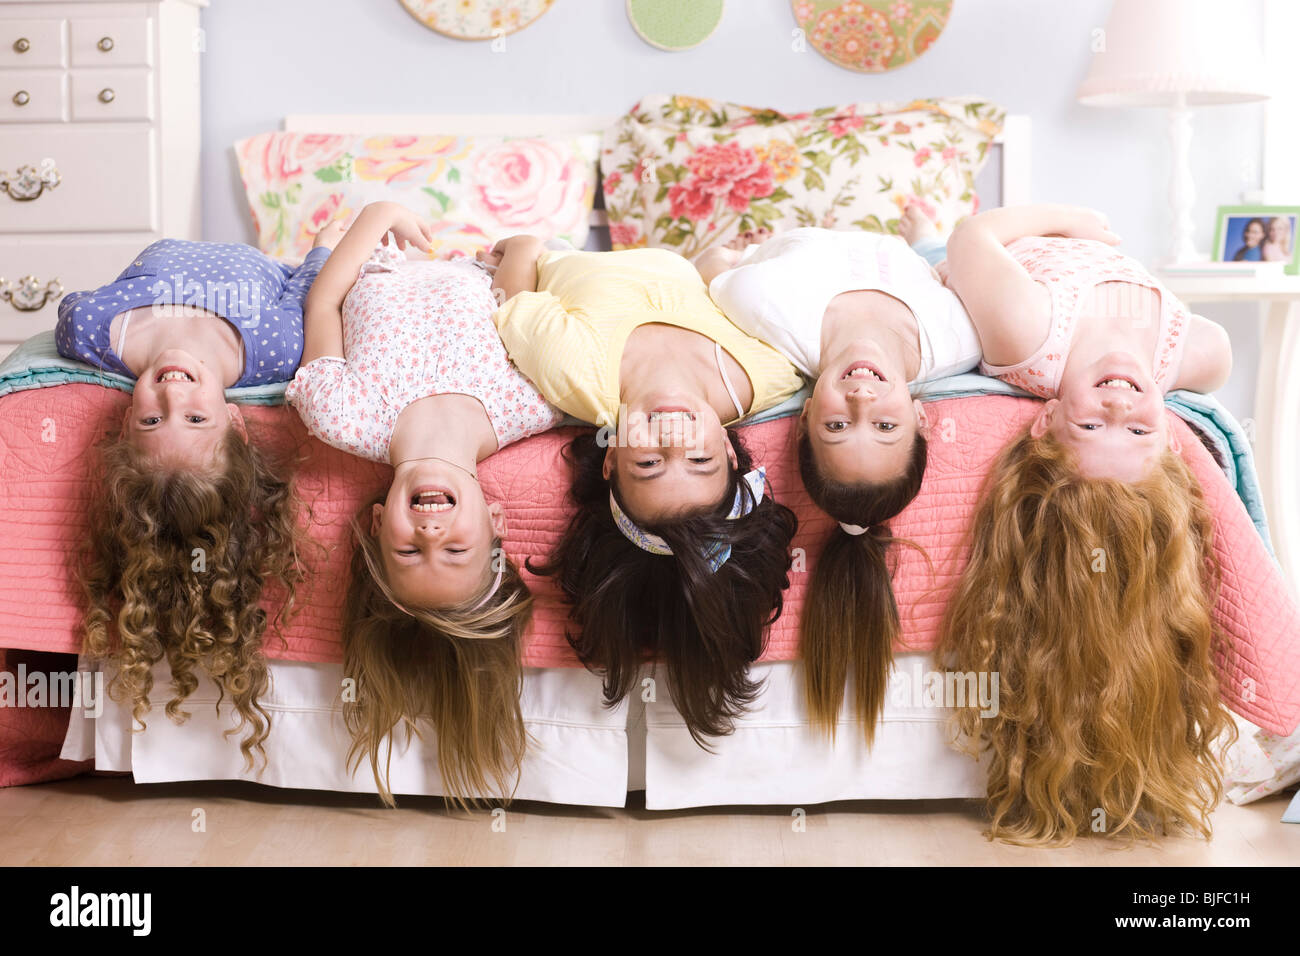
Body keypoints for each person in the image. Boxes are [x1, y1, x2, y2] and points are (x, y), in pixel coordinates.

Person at [936, 203, 1236, 844]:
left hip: (1005, 244)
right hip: (1079, 251)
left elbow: (972, 236)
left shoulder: (1032, 339)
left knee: (935, 250)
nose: (1119, 402)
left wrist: (1061, 220)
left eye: (1092, 425)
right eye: (1137, 429)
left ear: (1045, 420)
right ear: (1170, 445)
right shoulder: (1198, 357)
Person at [287, 202, 565, 805]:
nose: (431, 530)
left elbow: (322, 305)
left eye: (409, 550)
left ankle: (325, 235)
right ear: (495, 523)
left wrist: (374, 216)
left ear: (376, 523)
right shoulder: (535, 405)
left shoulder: (343, 418)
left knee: (322, 252)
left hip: (375, 261)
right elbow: (514, 306)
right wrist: (521, 249)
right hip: (469, 268)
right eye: (456, 548)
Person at [487, 236, 803, 743]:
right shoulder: (767, 374)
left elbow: (512, 294)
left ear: (611, 459)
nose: (673, 437)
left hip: (576, 250)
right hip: (683, 266)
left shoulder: (576, 374)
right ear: (726, 449)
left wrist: (521, 246)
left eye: (650, 461)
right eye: (699, 461)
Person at [58, 223, 344, 766]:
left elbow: (74, 301)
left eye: (149, 418)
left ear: (123, 428)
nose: (173, 390)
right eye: (196, 417)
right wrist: (325, 245)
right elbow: (307, 284)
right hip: (259, 263)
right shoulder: (273, 351)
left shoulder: (93, 332)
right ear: (235, 419)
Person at [694, 206, 982, 742]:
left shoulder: (763, 307)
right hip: (903, 251)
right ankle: (922, 233)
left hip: (782, 237)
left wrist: (732, 257)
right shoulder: (961, 339)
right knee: (939, 255)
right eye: (886, 425)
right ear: (922, 417)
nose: (861, 397)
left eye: (836, 424)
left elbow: (704, 279)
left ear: (804, 417)